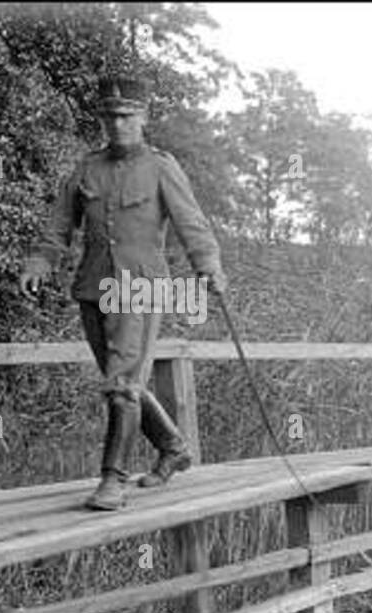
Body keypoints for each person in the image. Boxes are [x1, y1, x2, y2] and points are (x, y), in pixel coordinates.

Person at [19, 74, 227, 510]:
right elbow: (58, 226)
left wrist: (208, 268)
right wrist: (39, 262)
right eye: (109, 117)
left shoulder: (161, 166)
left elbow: (192, 223)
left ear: (143, 117)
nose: (117, 125)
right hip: (93, 288)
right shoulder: (86, 169)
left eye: (126, 116)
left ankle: (112, 481)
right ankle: (173, 447)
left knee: (123, 385)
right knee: (122, 380)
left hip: (141, 288)